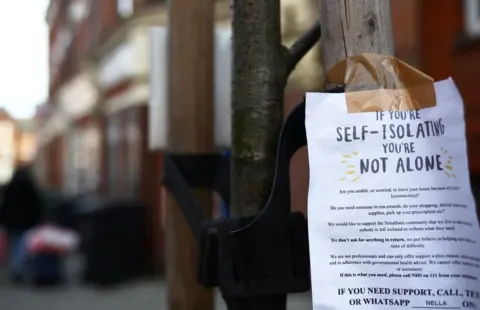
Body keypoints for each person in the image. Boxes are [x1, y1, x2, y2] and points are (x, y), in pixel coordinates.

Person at [0, 165, 43, 282]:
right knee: (23, 246)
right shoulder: (30, 187)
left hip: (12, 223)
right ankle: (20, 268)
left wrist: (4, 220)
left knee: (14, 245)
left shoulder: (9, 188)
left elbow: (4, 206)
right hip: (26, 222)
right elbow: (36, 205)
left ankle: (16, 269)